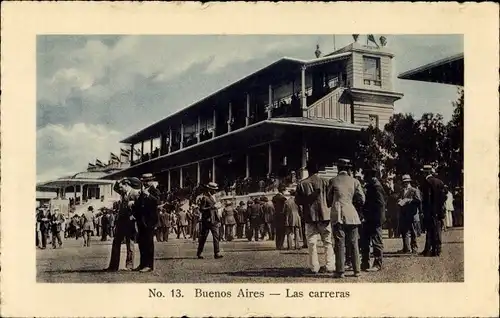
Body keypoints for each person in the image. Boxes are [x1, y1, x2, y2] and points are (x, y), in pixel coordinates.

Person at [327, 159, 365, 278]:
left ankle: (340, 271)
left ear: (338, 168)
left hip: (338, 214)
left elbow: (328, 199)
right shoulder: (355, 181)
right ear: (348, 169)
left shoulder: (333, 181)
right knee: (354, 243)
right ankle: (357, 270)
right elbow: (362, 199)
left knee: (339, 243)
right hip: (351, 214)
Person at [295, 160, 334, 274]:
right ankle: (330, 265)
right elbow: (330, 198)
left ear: (308, 170)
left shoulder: (302, 184)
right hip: (325, 215)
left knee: (312, 243)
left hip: (309, 216)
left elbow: (298, 201)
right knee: (327, 242)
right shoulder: (326, 182)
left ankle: (314, 267)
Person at [106, 178, 140, 272]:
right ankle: (113, 266)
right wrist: (119, 180)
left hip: (130, 222)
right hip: (121, 222)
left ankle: (129, 266)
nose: (120, 189)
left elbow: (140, 206)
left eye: (122, 187)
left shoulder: (135, 193)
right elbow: (115, 188)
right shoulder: (123, 193)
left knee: (130, 244)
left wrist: (134, 215)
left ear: (126, 185)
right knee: (116, 242)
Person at [360, 166, 386, 272]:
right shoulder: (371, 185)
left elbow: (380, 205)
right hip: (368, 218)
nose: (364, 177)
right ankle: (365, 263)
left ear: (371, 175)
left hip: (375, 219)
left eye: (366, 174)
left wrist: (377, 220)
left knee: (376, 242)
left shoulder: (376, 187)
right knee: (365, 241)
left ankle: (377, 264)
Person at [134, 173, 161, 272]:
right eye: (144, 181)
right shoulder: (142, 192)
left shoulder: (154, 191)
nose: (145, 183)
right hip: (141, 220)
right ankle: (142, 264)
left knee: (149, 243)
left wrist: (148, 195)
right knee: (142, 243)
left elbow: (157, 202)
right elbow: (139, 205)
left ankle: (149, 265)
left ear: (150, 181)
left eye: (146, 181)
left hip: (150, 221)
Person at [419, 165, 447, 257]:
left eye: (423, 172)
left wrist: (425, 211)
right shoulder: (439, 182)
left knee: (430, 230)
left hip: (429, 211)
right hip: (438, 211)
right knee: (437, 230)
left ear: (426, 173)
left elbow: (426, 199)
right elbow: (444, 196)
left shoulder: (426, 182)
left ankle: (431, 250)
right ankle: (436, 250)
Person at [196, 182, 223, 259]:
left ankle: (216, 253)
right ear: (210, 189)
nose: (215, 191)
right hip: (207, 220)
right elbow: (201, 209)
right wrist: (211, 208)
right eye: (214, 190)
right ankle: (199, 252)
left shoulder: (213, 197)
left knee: (216, 236)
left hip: (214, 220)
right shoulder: (205, 198)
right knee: (203, 237)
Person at [397, 174, 421, 254]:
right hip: (404, 213)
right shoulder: (402, 190)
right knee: (404, 231)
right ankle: (406, 248)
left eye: (407, 182)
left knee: (413, 231)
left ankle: (414, 247)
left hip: (412, 213)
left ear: (409, 182)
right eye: (404, 182)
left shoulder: (414, 190)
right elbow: (399, 198)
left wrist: (409, 200)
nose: (405, 183)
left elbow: (418, 201)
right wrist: (399, 200)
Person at [272, 185, 287, 250]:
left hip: (276, 215)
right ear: (283, 190)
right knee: (282, 231)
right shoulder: (283, 198)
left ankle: (277, 245)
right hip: (282, 215)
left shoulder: (274, 197)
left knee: (277, 231)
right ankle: (281, 245)